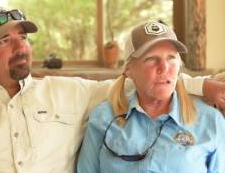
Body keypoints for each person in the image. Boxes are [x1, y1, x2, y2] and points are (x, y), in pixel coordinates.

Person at [0, 7, 223, 172]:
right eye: (5, 41)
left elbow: (142, 79)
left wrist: (202, 84)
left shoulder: (68, 93)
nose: (21, 47)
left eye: (24, 38)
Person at [77, 22, 225, 173]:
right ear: (129, 70)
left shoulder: (211, 122)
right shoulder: (103, 117)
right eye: (151, 58)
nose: (164, 67)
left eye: (171, 57)